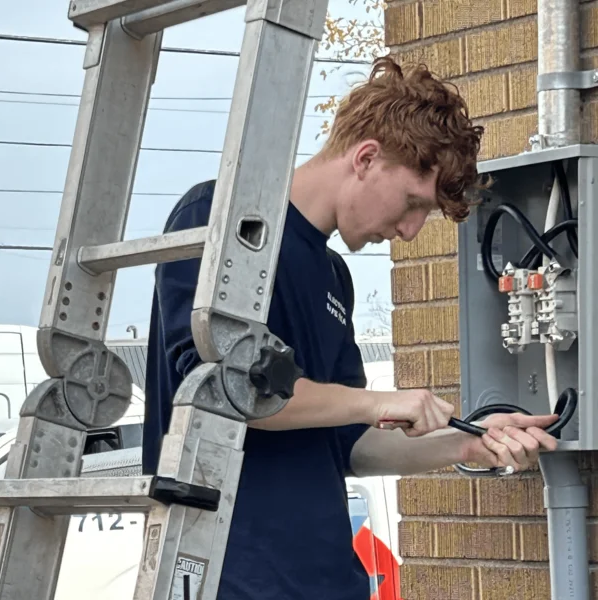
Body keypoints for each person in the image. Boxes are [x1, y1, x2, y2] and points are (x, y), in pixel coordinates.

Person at [142, 56, 560, 600]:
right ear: (366, 158)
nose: (410, 231)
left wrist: (465, 445)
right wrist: (381, 402)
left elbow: (350, 448)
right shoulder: (221, 220)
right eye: (413, 204)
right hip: (228, 574)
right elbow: (222, 393)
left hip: (329, 577)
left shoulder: (335, 276)